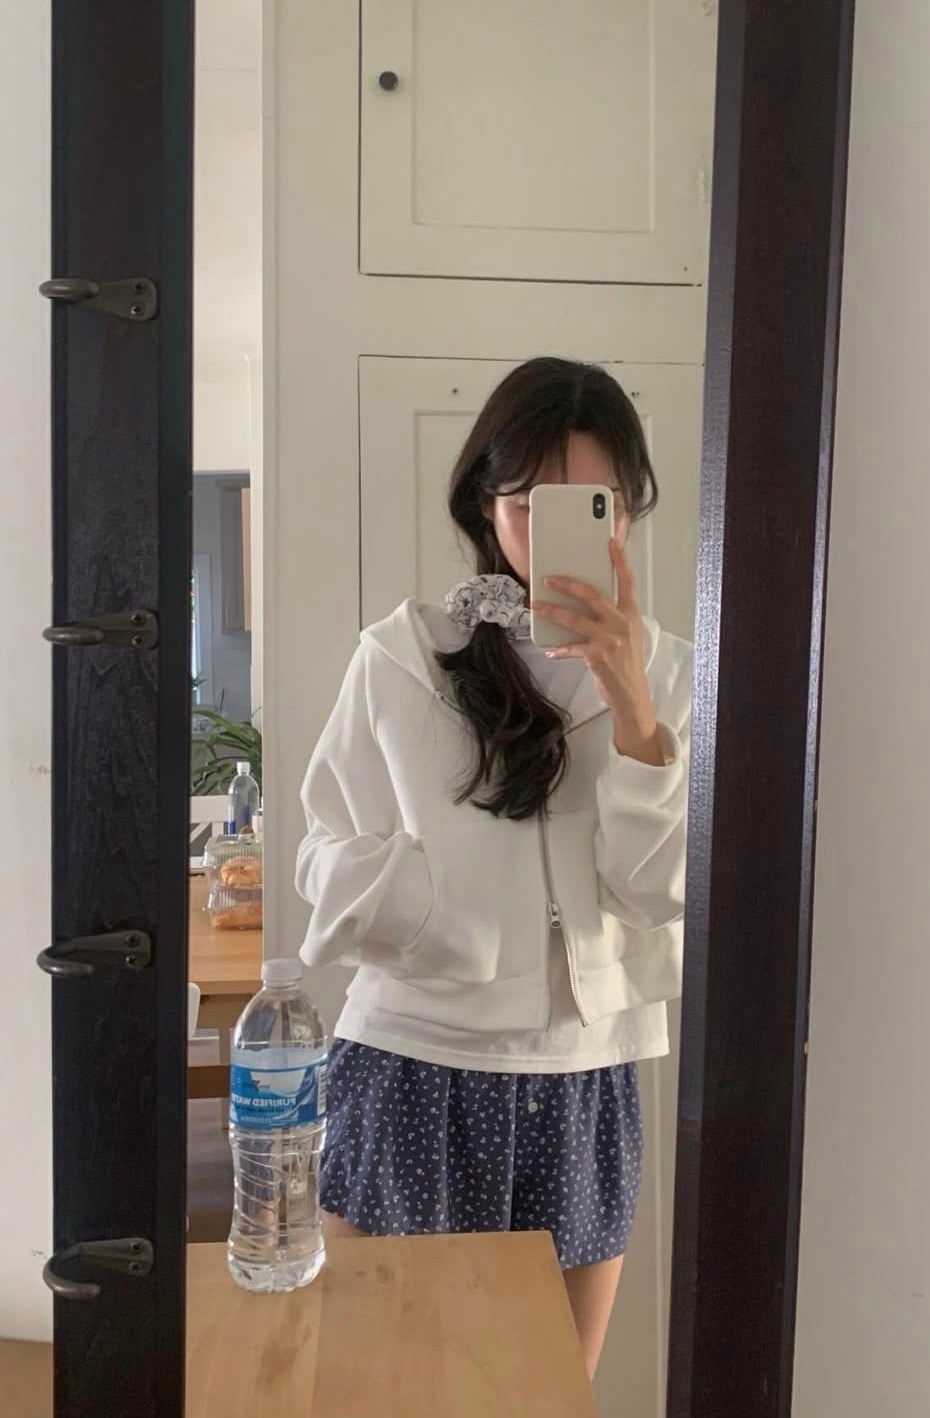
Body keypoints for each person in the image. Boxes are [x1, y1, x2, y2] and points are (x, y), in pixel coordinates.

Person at [295, 357, 691, 1376]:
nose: (559, 537)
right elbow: (323, 851)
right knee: (384, 1387)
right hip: (413, 1059)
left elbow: (658, 890)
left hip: (585, 1075)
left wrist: (633, 706)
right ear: (485, 501)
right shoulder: (403, 658)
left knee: (547, 1390)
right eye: (530, 505)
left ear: (628, 509)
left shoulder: (672, 672)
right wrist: (436, 916)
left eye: (593, 507)